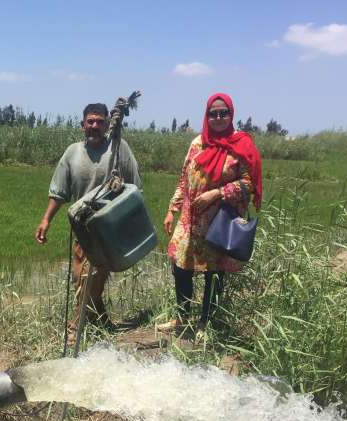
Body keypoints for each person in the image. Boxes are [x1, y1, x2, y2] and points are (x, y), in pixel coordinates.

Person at [157, 93, 262, 339]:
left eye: (223, 113)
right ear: (207, 115)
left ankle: (206, 323)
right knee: (181, 269)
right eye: (213, 113)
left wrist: (216, 193)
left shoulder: (241, 146)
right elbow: (184, 179)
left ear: (231, 115)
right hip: (190, 220)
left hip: (219, 222)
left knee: (214, 274)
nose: (218, 118)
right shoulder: (197, 143)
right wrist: (172, 209)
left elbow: (249, 183)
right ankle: (182, 317)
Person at [35, 103, 141, 331]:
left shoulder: (119, 149)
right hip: (82, 228)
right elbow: (59, 191)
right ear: (82, 125)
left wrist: (132, 224)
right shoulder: (72, 153)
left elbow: (135, 188)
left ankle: (76, 325)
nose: (95, 126)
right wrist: (46, 220)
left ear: (107, 124)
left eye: (100, 122)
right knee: (79, 278)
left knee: (91, 277)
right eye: (90, 121)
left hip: (108, 229)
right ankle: (102, 322)